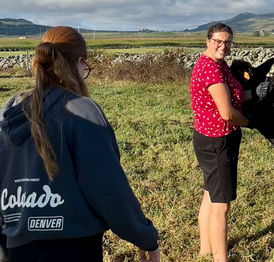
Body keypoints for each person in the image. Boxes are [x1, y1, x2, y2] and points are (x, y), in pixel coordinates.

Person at [0, 26, 160, 262]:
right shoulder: (82, 111)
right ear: (79, 62)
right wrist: (144, 235)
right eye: (86, 67)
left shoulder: (9, 113)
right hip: (72, 250)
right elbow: (109, 190)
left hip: (13, 247)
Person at [190, 23, 270, 261]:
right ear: (207, 41)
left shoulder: (216, 64)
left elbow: (231, 95)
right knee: (221, 205)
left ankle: (206, 248)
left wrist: (255, 93)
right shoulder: (211, 70)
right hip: (218, 141)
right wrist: (247, 122)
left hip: (207, 138)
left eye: (227, 42)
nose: (223, 46)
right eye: (218, 41)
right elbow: (227, 112)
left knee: (210, 194)